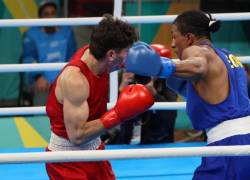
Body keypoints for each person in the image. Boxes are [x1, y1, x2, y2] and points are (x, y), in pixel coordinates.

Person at [125, 10, 250, 179]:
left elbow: (199, 65)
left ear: (189, 38)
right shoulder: (230, 57)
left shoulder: (196, 51)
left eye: (174, 36)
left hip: (229, 147)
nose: (173, 44)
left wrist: (161, 66)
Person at [45, 14, 154, 180]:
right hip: (67, 160)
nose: (128, 60)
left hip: (95, 149)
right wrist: (118, 114)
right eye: (127, 53)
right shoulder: (75, 80)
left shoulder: (97, 56)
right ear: (111, 55)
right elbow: (77, 136)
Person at [22, 0, 77, 106]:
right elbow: (29, 58)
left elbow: (73, 57)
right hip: (42, 81)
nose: (50, 17)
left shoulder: (67, 32)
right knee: (41, 94)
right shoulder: (31, 35)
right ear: (40, 17)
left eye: (52, 13)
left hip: (64, 78)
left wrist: (68, 76)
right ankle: (39, 122)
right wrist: (38, 77)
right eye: (46, 14)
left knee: (76, 90)